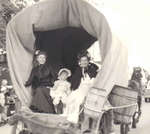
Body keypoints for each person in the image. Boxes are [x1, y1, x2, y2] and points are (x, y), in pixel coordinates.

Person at [66, 51, 99, 124]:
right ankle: (68, 116)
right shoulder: (78, 70)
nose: (83, 62)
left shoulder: (92, 70)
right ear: (79, 62)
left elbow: (95, 81)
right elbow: (74, 81)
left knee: (79, 100)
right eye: (82, 60)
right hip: (79, 88)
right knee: (70, 98)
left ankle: (74, 118)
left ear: (88, 61)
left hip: (88, 90)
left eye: (85, 60)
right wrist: (71, 89)